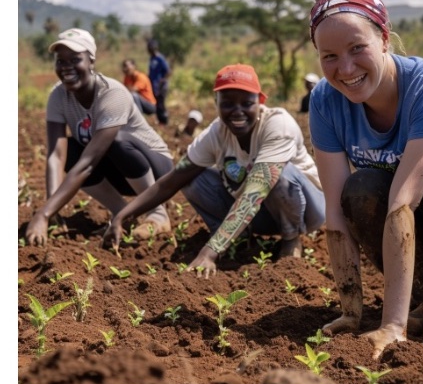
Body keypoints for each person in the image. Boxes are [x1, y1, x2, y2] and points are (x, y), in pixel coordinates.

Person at [308, 0, 423, 360]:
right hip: (408, 230)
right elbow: (336, 214)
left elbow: (404, 201)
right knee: (358, 190)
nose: (345, 69)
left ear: (384, 38)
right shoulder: (326, 102)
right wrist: (352, 313)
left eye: (357, 48)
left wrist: (392, 328)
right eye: (329, 56)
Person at [103, 63, 326, 276]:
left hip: (307, 209)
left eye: (246, 103)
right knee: (190, 178)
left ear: (260, 101)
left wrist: (210, 252)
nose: (237, 111)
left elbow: (253, 194)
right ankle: (235, 236)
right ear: (216, 102)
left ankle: (291, 239)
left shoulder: (278, 124)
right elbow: (173, 180)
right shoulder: (216, 133)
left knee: (279, 176)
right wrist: (123, 215)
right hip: (262, 214)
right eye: (227, 103)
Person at [25, 29, 173, 246]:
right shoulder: (58, 95)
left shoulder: (112, 93)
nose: (66, 66)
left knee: (116, 141)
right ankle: (122, 213)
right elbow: (56, 155)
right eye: (60, 61)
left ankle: (158, 214)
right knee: (71, 150)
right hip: (117, 172)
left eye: (75, 59)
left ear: (91, 61)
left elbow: (88, 164)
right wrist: (52, 208)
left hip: (156, 170)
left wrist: (43, 214)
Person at [147, 39, 171, 125]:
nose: (149, 49)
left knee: (161, 104)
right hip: (154, 86)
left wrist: (162, 82)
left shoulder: (160, 58)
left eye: (150, 48)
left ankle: (165, 121)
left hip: (161, 86)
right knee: (156, 104)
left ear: (155, 48)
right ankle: (160, 121)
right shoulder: (152, 58)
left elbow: (168, 72)